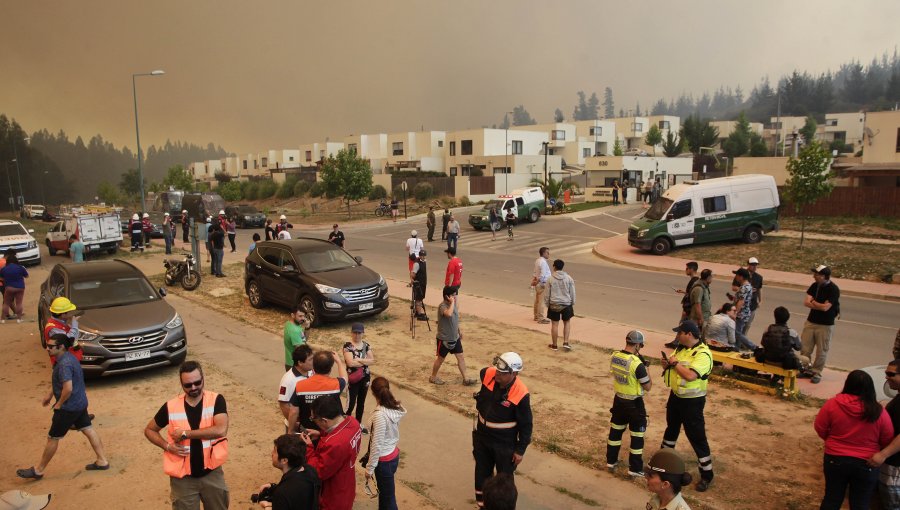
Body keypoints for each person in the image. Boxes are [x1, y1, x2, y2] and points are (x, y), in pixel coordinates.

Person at [16, 333, 109, 480]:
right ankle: (102, 460)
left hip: (68, 408)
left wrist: (58, 404)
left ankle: (39, 470)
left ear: (61, 347)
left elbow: (68, 388)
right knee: (88, 429)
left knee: (53, 437)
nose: (47, 348)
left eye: (51, 346)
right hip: (80, 403)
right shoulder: (70, 358)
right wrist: (50, 394)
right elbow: (64, 382)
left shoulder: (64, 364)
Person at [144, 360, 229, 510]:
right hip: (183, 480)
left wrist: (185, 434)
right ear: (181, 384)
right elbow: (150, 430)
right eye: (188, 385)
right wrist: (168, 446)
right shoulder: (171, 406)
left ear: (203, 379)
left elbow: (221, 429)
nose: (194, 388)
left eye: (197, 382)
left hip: (212, 474)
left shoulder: (216, 400)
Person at [814, 370, 893, 509]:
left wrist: (832, 441)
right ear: (870, 388)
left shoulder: (832, 404)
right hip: (868, 462)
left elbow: (820, 427)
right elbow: (887, 437)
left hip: (835, 458)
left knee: (832, 498)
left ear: (848, 384)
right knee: (860, 503)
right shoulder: (878, 411)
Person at [473, 352, 532, 508]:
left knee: (504, 481)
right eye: (497, 370)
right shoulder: (488, 373)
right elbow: (484, 373)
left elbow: (526, 425)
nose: (497, 374)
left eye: (503, 373)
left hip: (504, 444)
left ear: (514, 373)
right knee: (481, 475)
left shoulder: (521, 393)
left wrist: (520, 450)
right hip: (482, 437)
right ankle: (483, 505)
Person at [661, 320, 714, 492]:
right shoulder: (681, 349)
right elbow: (676, 368)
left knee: (696, 437)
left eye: (680, 333)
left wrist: (675, 364)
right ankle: (663, 463)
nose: (677, 336)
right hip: (676, 397)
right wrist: (667, 365)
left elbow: (691, 376)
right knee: (671, 430)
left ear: (689, 334)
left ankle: (707, 475)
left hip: (692, 402)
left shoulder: (703, 354)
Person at [298, 396, 361, 510]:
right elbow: (339, 434)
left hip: (333, 495)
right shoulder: (354, 422)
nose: (313, 421)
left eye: (314, 419)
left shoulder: (334, 444)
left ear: (324, 420)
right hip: (347, 484)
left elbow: (318, 471)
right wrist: (321, 433)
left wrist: (308, 448)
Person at [606, 330, 652, 476]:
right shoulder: (637, 364)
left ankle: (611, 461)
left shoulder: (615, 356)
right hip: (634, 403)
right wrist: (647, 369)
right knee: (637, 435)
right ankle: (635, 469)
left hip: (618, 400)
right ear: (638, 345)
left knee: (615, 432)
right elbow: (648, 386)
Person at [364, 377, 407, 510]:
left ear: (373, 393)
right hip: (393, 455)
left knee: (388, 499)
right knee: (385, 495)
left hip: (384, 461)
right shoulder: (393, 407)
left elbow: (376, 444)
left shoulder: (380, 416)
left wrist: (369, 469)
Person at [287, 351, 348, 434]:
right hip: (330, 432)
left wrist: (290, 430)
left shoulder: (300, 386)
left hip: (307, 431)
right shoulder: (336, 384)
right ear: (330, 369)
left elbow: (293, 411)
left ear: (313, 367)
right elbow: (345, 378)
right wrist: (339, 362)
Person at [255, 434, 320, 510]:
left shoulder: (282, 493)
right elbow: (298, 492)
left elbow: (288, 492)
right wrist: (274, 487)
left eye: (275, 451)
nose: (272, 453)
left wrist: (267, 506)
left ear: (284, 460)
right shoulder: (310, 470)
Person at [868, 359, 900, 509]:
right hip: (893, 461)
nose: (886, 377)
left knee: (892, 503)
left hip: (895, 464)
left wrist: (883, 454)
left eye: (891, 374)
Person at [800, 265, 841, 384]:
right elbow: (806, 302)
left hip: (825, 325)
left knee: (822, 351)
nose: (814, 276)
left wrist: (814, 302)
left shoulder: (833, 289)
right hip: (811, 321)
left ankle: (816, 372)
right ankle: (805, 369)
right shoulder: (814, 286)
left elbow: (825, 308)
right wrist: (817, 303)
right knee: (805, 348)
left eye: (816, 274)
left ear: (823, 276)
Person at [429, 286, 475, 386]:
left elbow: (455, 319)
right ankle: (433, 377)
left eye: (456, 295)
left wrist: (459, 331)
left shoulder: (453, 305)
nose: (455, 297)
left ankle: (466, 379)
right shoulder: (443, 306)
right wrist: (453, 303)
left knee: (461, 357)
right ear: (447, 296)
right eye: (453, 295)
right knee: (440, 359)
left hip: (455, 337)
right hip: (444, 339)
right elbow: (449, 314)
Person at [343, 323, 375, 433]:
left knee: (361, 403)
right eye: (355, 332)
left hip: (365, 379)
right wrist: (365, 361)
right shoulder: (347, 346)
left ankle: (357, 425)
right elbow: (350, 363)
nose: (357, 335)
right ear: (351, 333)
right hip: (353, 379)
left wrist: (358, 360)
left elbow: (373, 361)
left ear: (363, 333)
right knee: (350, 404)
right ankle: (345, 426)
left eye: (359, 333)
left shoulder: (366, 345)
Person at [760, 306, 809, 370]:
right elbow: (798, 347)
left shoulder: (767, 329)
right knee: (806, 359)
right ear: (787, 318)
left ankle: (777, 375)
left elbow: (762, 343)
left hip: (767, 359)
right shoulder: (791, 332)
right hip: (784, 362)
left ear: (775, 317)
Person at [545, 259, 576, 351]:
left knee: (554, 325)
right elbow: (572, 292)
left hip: (554, 304)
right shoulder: (569, 278)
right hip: (566, 304)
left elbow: (547, 294)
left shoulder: (550, 279)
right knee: (567, 323)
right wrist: (572, 302)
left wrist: (547, 304)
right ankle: (566, 342)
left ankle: (554, 345)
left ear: (554, 267)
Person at [278, 345, 313, 424]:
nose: (313, 361)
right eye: (310, 359)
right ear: (300, 362)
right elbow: (283, 404)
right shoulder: (288, 380)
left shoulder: (311, 371)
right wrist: (295, 424)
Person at [667, 262, 699, 348]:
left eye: (687, 268)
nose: (686, 270)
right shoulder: (695, 280)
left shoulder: (694, 281)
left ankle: (678, 343)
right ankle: (676, 341)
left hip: (688, 309)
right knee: (683, 325)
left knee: (683, 325)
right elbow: (691, 293)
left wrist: (686, 310)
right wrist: (683, 292)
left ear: (691, 269)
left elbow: (691, 297)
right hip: (688, 309)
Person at [43, 297, 83, 365]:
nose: (70, 313)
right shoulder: (53, 329)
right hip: (64, 363)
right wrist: (74, 326)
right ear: (62, 314)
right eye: (69, 312)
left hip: (70, 360)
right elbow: (69, 340)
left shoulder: (61, 322)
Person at [730, 268, 758, 352]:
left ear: (741, 277)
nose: (735, 277)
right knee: (738, 333)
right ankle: (736, 350)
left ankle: (753, 346)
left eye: (737, 275)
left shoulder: (744, 288)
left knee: (737, 333)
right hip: (745, 313)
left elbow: (741, 301)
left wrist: (735, 313)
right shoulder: (747, 286)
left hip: (741, 314)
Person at [0, 250, 27, 323]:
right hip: (20, 287)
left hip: (8, 287)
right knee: (19, 303)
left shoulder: (4, 268)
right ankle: (19, 319)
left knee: (6, 303)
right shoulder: (20, 267)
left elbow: (2, 278)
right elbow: (26, 276)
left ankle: (2, 319)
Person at [283, 308, 309, 372]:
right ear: (292, 315)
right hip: (295, 366)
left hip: (289, 362)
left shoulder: (289, 324)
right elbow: (302, 351)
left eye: (304, 316)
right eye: (300, 316)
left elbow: (303, 339)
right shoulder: (294, 331)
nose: (303, 318)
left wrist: (307, 327)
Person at [531, 247, 551, 325]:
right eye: (547, 253)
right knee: (541, 301)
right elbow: (542, 275)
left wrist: (534, 281)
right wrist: (537, 281)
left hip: (538, 283)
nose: (548, 254)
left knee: (537, 300)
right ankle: (541, 318)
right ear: (543, 253)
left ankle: (536, 316)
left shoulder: (537, 260)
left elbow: (535, 272)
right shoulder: (543, 262)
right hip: (542, 284)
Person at [689, 269, 712, 334]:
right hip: (698, 319)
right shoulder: (699, 288)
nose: (712, 279)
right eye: (711, 277)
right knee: (696, 338)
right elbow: (697, 305)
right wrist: (700, 318)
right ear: (708, 278)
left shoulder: (705, 286)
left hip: (704, 317)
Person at [745, 257, 764, 330]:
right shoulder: (742, 274)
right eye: (753, 265)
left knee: (748, 325)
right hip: (742, 303)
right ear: (748, 265)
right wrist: (747, 289)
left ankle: (743, 340)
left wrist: (761, 300)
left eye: (756, 265)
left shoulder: (759, 277)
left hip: (752, 305)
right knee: (740, 324)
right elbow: (734, 287)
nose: (754, 267)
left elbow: (759, 288)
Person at [410, 250, 428, 319]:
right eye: (422, 255)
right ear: (420, 255)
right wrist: (412, 280)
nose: (423, 257)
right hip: (418, 284)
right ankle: (419, 314)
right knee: (418, 298)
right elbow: (413, 274)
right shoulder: (417, 264)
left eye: (424, 255)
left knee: (420, 298)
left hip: (423, 283)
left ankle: (418, 312)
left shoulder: (424, 262)